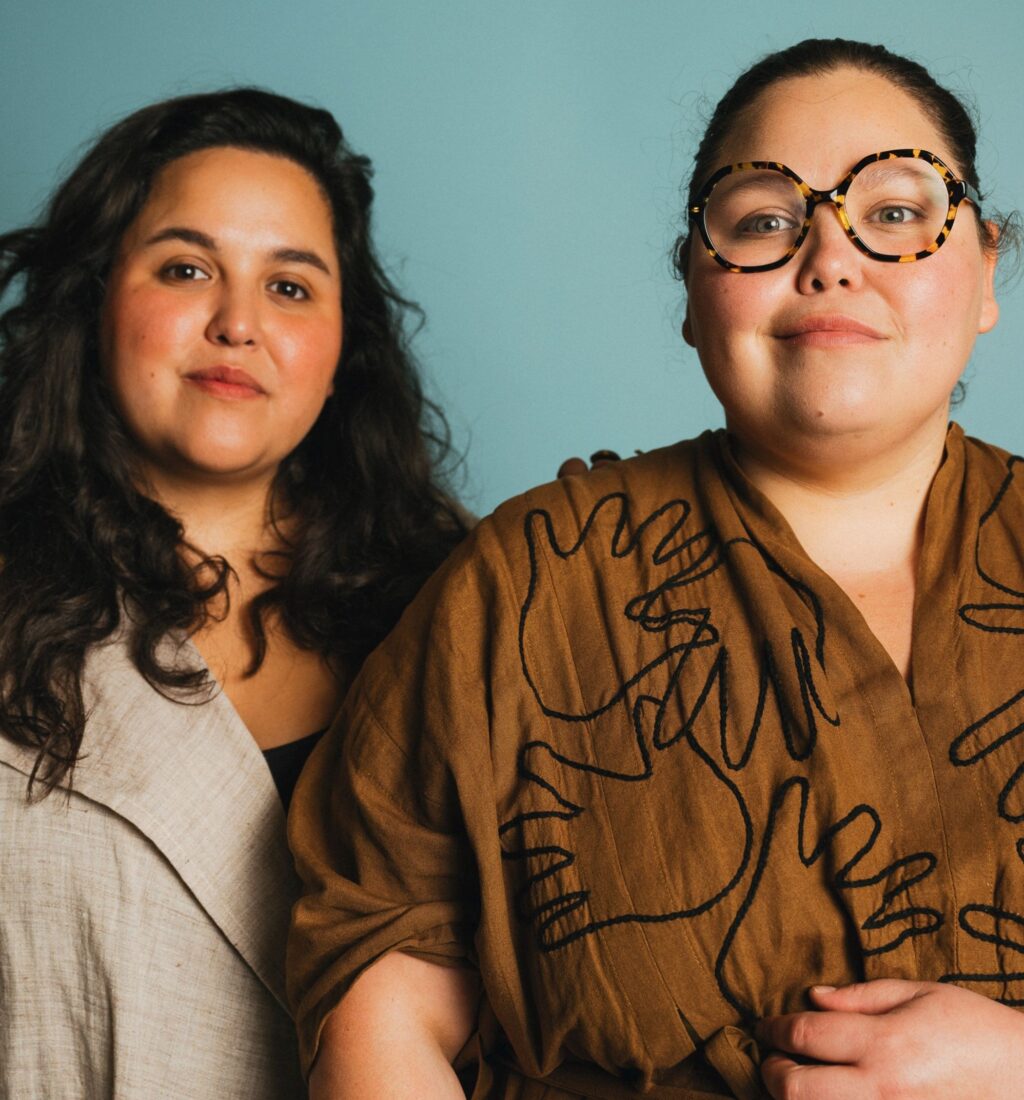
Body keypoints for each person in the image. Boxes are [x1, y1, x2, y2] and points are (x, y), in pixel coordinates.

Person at [287, 37, 1024, 1100]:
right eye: (764, 219)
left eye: (898, 212)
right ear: (691, 289)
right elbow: (380, 986)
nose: (829, 253)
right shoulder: (526, 583)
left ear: (986, 271)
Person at [0, 88, 467, 1098]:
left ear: (347, 342)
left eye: (291, 286)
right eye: (185, 268)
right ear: (94, 301)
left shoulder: (466, 604)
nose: (237, 323)